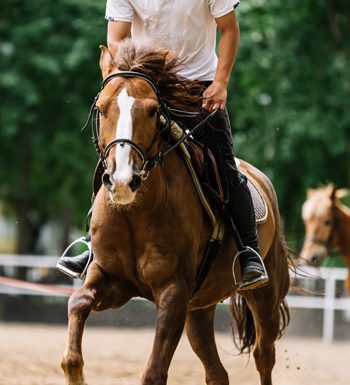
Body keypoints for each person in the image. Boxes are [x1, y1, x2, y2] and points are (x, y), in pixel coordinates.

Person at [57, 0, 269, 290]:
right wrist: (134, 76)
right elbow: (116, 38)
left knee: (225, 168)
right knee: (114, 158)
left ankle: (249, 252)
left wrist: (221, 82)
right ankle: (94, 244)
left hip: (200, 89)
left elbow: (229, 29)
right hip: (146, 85)